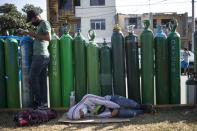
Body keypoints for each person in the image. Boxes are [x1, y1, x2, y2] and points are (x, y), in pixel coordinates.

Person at [20, 9, 51, 107]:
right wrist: (28, 33)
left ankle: (39, 101)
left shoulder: (45, 23)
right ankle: (44, 103)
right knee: (41, 81)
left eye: (32, 20)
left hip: (40, 56)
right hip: (40, 55)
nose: (32, 23)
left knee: (32, 78)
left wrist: (31, 33)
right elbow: (39, 38)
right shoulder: (40, 26)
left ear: (36, 17)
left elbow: (48, 38)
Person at [67, 94, 154, 120]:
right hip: (110, 111)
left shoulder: (87, 98)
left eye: (81, 114)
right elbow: (98, 115)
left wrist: (117, 107)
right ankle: (144, 111)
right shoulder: (86, 114)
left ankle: (141, 106)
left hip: (112, 101)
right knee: (130, 113)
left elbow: (104, 102)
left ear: (78, 109)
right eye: (81, 117)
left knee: (129, 104)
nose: (83, 116)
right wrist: (111, 114)